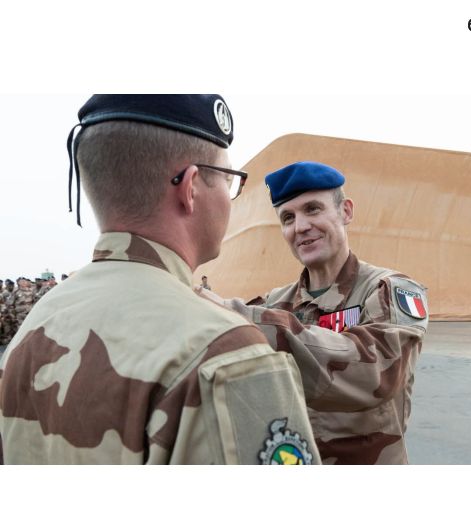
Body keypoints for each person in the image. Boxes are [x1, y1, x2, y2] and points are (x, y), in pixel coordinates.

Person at [0, 95, 319, 465]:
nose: (231, 200)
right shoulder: (226, 353)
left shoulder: (38, 324)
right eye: (230, 180)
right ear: (191, 187)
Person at [209, 161, 429, 464]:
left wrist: (230, 315)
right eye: (288, 217)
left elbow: (376, 373)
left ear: (346, 211)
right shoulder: (275, 303)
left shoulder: (388, 289)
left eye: (312, 209)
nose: (300, 227)